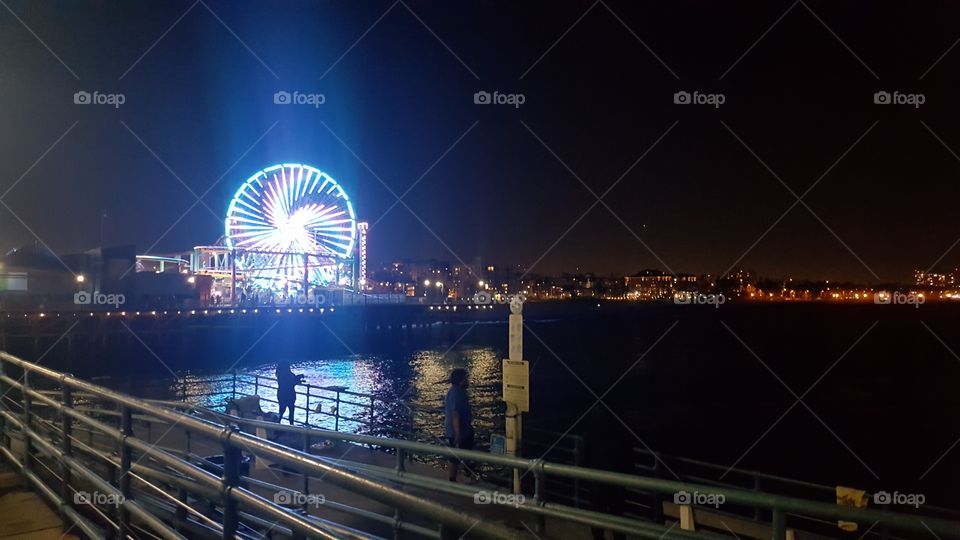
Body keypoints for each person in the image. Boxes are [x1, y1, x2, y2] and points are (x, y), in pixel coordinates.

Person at [444, 368, 474, 482]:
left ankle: (463, 474)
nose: (468, 380)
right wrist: (457, 434)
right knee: (457, 455)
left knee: (461, 454)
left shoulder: (458, 392)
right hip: (459, 432)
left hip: (463, 430)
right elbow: (455, 414)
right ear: (461, 380)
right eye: (466, 378)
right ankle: (455, 478)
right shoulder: (455, 393)